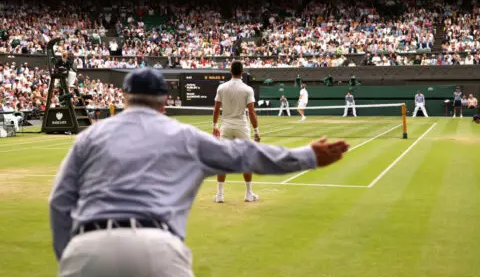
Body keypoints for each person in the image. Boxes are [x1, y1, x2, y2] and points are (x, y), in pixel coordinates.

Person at [49, 68, 349, 277]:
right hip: (156, 247)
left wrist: (74, 255)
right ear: (166, 101)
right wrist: (307, 156)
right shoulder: (184, 137)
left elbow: (60, 203)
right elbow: (245, 154)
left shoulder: (89, 137)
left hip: (86, 249)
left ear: (125, 98)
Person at [212, 61, 259, 203]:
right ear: (242, 72)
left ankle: (220, 195)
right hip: (242, 127)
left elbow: (216, 109)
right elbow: (251, 112)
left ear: (230, 71)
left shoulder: (221, 88)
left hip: (226, 127)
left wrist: (214, 126)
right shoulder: (247, 89)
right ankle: (248, 194)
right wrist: (256, 130)